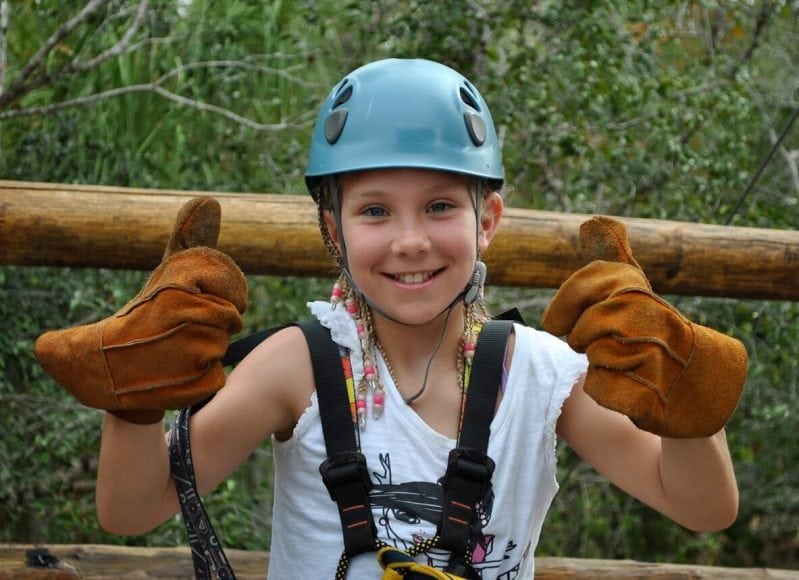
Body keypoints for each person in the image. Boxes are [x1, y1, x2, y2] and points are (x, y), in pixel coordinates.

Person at [35, 58, 747, 579]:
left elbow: (701, 508)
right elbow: (132, 512)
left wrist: (686, 408)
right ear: (332, 230)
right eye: (374, 210)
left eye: (440, 206)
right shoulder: (297, 367)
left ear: (487, 219)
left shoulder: (539, 372)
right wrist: (133, 403)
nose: (410, 240)